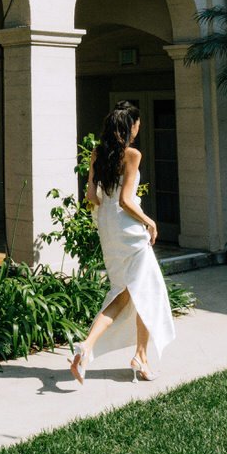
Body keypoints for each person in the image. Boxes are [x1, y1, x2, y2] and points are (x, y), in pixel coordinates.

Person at [70, 101, 175, 384]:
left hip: (108, 227)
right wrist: (150, 222)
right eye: (137, 125)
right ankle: (140, 356)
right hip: (128, 229)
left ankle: (87, 346)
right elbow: (126, 201)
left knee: (125, 292)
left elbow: (90, 197)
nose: (138, 129)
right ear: (130, 127)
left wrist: (109, 212)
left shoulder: (97, 154)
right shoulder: (132, 155)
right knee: (148, 291)